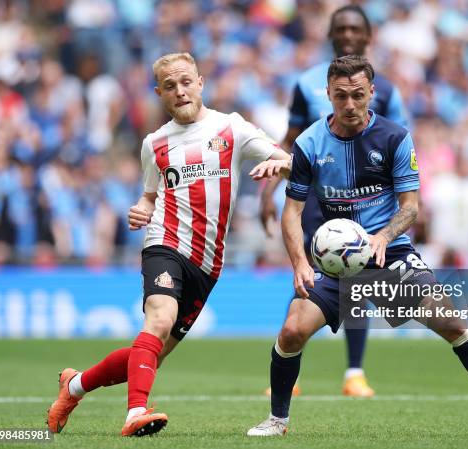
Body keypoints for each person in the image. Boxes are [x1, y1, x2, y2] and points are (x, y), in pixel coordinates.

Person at [247, 55, 468, 437]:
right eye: (340, 95)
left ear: (371, 93)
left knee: (451, 322)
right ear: (327, 93)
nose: (349, 104)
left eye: (357, 95)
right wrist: (300, 264)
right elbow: (292, 213)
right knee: (292, 329)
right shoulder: (310, 143)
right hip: (336, 261)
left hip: (389, 253)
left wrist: (383, 237)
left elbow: (411, 208)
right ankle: (277, 421)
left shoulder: (393, 137)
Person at [46, 52, 291, 437]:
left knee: (150, 354)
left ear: (200, 82)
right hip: (165, 242)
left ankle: (74, 386)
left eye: (186, 82)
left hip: (208, 262)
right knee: (157, 320)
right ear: (159, 93)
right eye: (170, 86)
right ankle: (135, 413)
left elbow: (288, 160)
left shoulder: (232, 129)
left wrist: (281, 165)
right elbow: (149, 195)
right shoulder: (155, 143)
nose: (180, 91)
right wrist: (142, 209)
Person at [260, 4, 409, 398]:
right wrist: (268, 190)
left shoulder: (387, 90)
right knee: (311, 271)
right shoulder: (307, 82)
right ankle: (290, 370)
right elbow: (291, 140)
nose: (347, 34)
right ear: (330, 34)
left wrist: (404, 200)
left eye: (354, 29)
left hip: (368, 198)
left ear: (367, 36)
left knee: (356, 276)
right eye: (340, 28)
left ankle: (354, 372)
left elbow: (399, 143)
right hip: (317, 196)